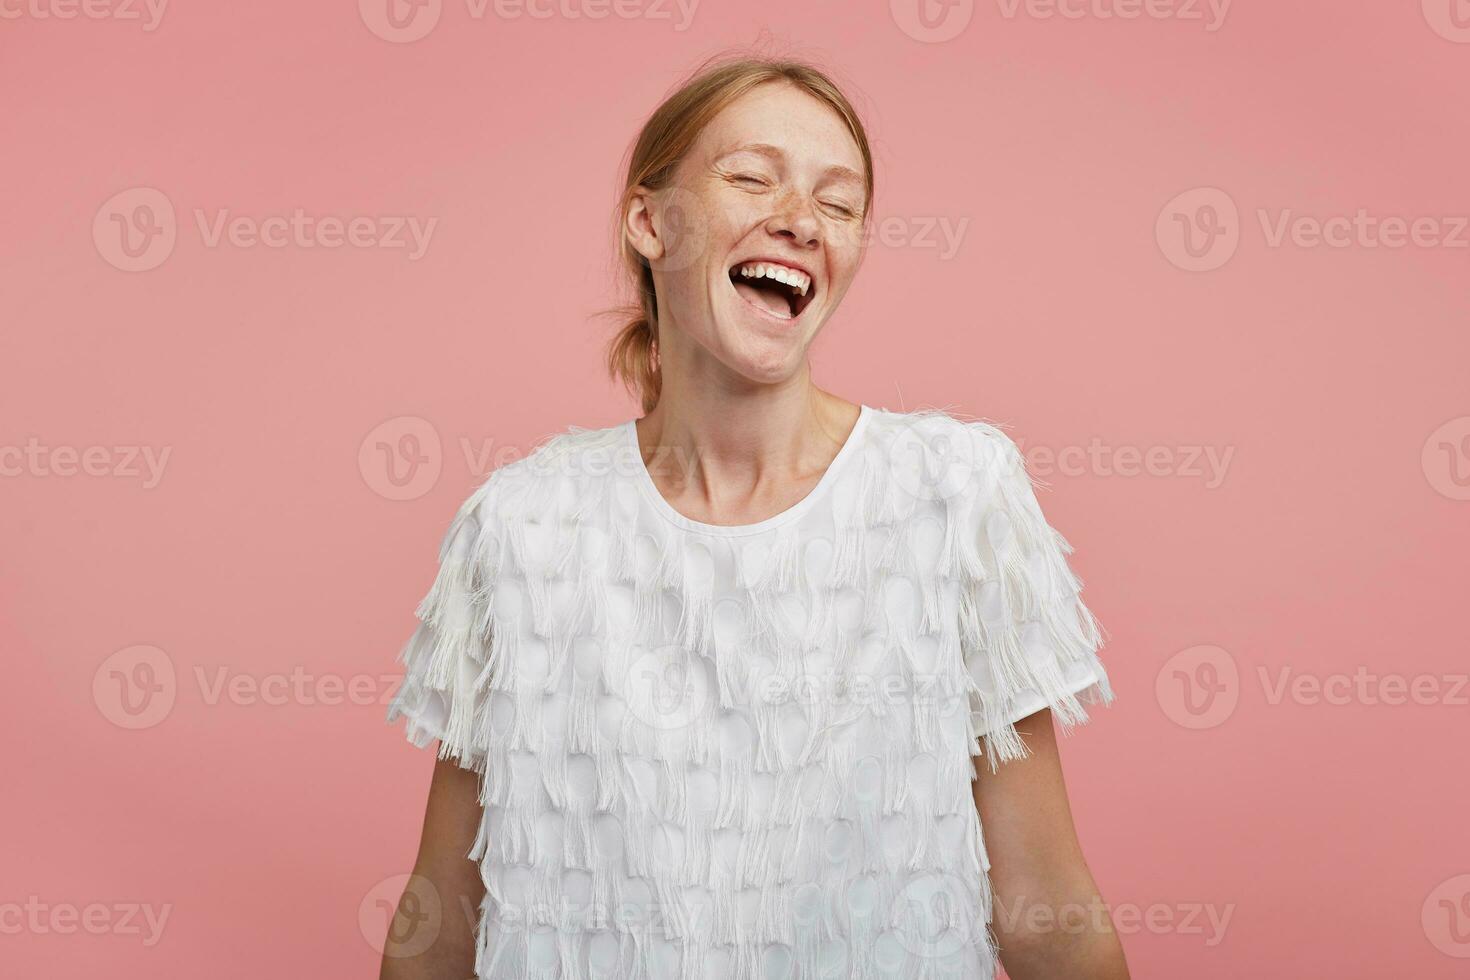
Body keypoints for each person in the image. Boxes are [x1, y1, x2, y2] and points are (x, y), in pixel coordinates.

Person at [381, 54, 1128, 980]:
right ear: (651, 222)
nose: (802, 221)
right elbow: (439, 926)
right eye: (751, 176)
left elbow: (1048, 915)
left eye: (840, 202)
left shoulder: (956, 494)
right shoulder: (520, 528)